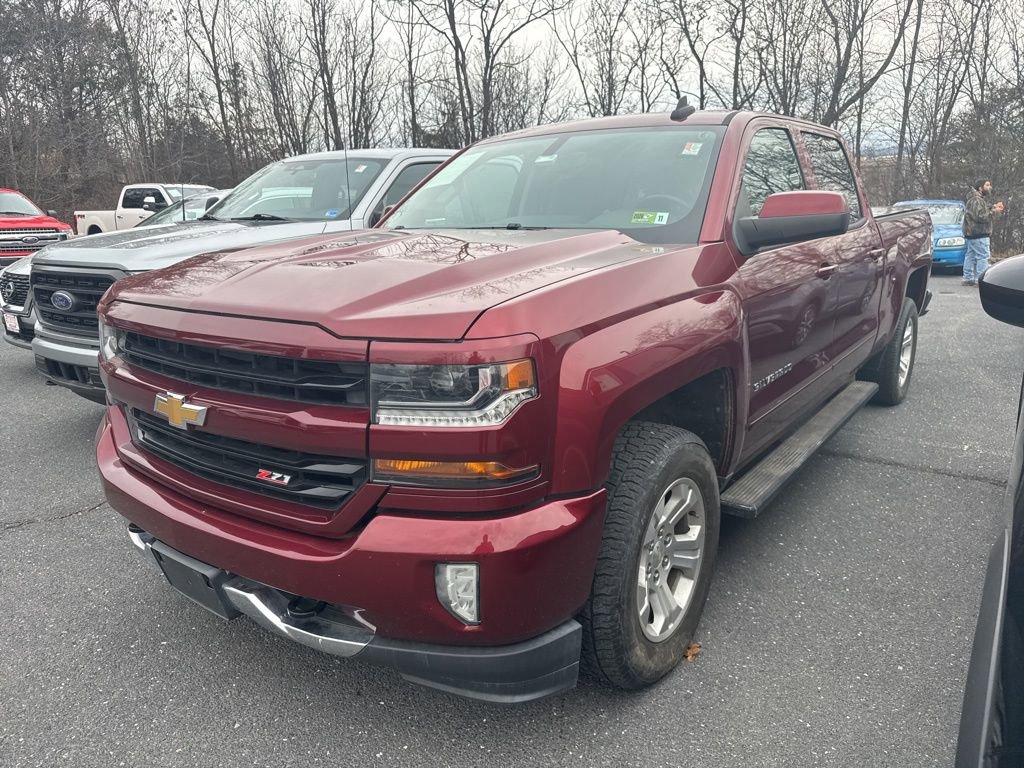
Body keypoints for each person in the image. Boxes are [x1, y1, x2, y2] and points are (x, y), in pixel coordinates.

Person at [962, 178, 1004, 286]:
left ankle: (967, 278)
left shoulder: (976, 199)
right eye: (987, 185)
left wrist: (993, 207)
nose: (990, 187)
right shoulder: (976, 199)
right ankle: (981, 280)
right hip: (979, 233)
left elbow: (981, 210)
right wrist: (994, 212)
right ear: (980, 188)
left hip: (972, 234)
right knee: (983, 256)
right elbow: (980, 216)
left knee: (970, 255)